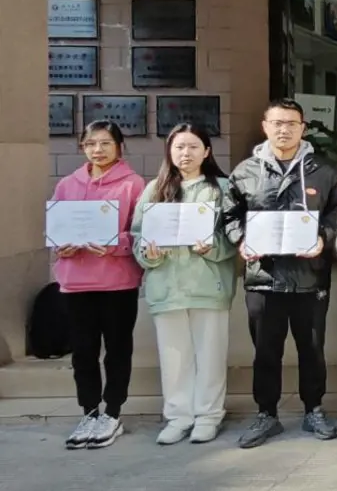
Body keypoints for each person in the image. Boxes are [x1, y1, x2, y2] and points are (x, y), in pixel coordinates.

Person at [225, 99, 337, 449]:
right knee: (265, 351)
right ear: (265, 126)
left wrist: (324, 238)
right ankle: (267, 414)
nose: (284, 129)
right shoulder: (246, 171)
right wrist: (241, 240)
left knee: (312, 349)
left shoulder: (323, 171)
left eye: (292, 123)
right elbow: (231, 215)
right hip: (264, 277)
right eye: (277, 123)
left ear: (303, 128)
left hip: (309, 276)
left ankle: (314, 409)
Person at [131, 124, 236, 446]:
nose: (185, 154)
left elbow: (235, 236)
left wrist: (213, 247)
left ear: (206, 151)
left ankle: (208, 415)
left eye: (193, 147)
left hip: (208, 284)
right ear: (169, 152)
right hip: (168, 285)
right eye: (179, 147)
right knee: (174, 356)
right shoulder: (154, 190)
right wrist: (148, 253)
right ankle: (178, 416)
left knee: (210, 355)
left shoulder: (222, 188)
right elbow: (137, 235)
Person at [53, 120, 146, 450]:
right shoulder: (67, 184)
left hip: (118, 283)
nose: (98, 150)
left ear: (119, 146)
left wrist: (115, 244)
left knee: (118, 350)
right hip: (75, 282)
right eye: (91, 143)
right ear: (82, 147)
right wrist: (60, 245)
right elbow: (57, 227)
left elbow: (140, 234)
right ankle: (89, 411)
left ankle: (113, 411)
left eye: (106, 143)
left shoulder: (133, 184)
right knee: (83, 352)